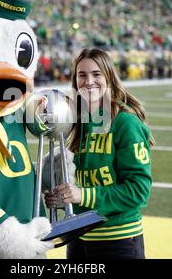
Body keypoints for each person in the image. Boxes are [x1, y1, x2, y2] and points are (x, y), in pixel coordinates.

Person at [44, 48, 154, 259]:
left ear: (109, 77)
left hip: (118, 240)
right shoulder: (76, 123)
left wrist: (83, 194)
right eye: (82, 75)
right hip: (77, 239)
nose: (89, 81)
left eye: (96, 74)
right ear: (75, 81)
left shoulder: (125, 122)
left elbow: (139, 190)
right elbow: (79, 183)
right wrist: (62, 197)